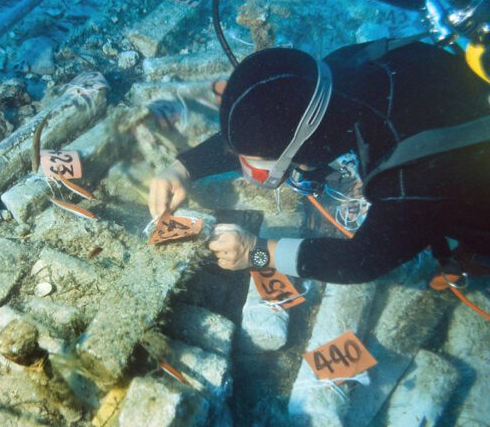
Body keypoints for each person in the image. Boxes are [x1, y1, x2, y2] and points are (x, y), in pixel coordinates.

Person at [148, 41, 490, 283]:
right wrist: (183, 168)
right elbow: (267, 119)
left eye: (261, 167)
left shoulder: (407, 174)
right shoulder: (339, 69)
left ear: (308, 148)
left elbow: (361, 262)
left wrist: (257, 252)